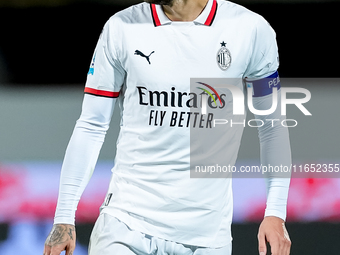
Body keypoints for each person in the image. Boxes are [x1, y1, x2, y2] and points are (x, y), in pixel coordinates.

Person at [43, 0, 292, 254]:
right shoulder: (121, 27)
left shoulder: (250, 30)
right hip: (125, 225)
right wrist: (63, 216)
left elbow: (272, 126)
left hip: (205, 237)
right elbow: (91, 124)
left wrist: (275, 212)